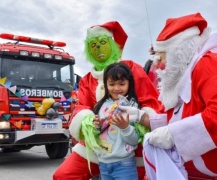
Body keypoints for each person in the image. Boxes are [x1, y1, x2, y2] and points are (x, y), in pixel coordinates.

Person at [138, 12, 217, 179]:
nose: (157, 65)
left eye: (160, 58)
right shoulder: (186, 79)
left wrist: (172, 134)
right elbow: (178, 118)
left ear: (176, 53)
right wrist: (140, 117)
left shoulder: (211, 66)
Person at [53, 21, 163, 180]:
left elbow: (151, 102)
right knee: (63, 175)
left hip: (128, 152)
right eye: (93, 45)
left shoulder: (131, 68)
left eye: (103, 42)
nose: (98, 48)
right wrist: (89, 122)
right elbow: (82, 108)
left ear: (112, 44)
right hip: (97, 147)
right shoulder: (86, 80)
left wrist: (138, 122)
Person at [87, 62, 144, 180]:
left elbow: (134, 141)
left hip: (124, 164)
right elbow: (96, 135)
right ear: (106, 84)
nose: (117, 88)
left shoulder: (132, 107)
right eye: (112, 84)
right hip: (103, 163)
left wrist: (125, 127)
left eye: (122, 84)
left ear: (129, 83)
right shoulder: (101, 106)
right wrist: (96, 126)